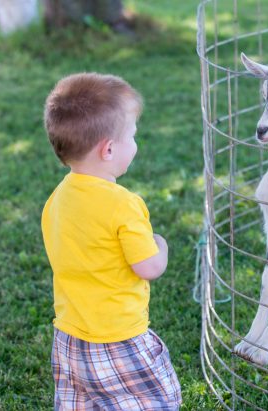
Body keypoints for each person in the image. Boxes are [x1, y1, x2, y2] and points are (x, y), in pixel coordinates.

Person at [41, 72, 181, 410]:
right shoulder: (124, 204)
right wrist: (160, 244)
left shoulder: (58, 198)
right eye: (133, 136)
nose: (136, 144)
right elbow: (148, 266)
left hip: (69, 339)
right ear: (108, 149)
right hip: (118, 339)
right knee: (158, 402)